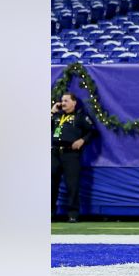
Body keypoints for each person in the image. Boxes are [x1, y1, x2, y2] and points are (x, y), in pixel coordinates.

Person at [51, 92, 96, 222]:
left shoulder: (80, 116)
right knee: (51, 184)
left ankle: (73, 214)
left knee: (72, 185)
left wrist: (82, 140)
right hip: (55, 154)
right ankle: (50, 213)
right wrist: (52, 112)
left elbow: (92, 131)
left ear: (74, 102)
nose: (63, 103)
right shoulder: (57, 116)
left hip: (71, 154)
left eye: (66, 101)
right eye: (62, 101)